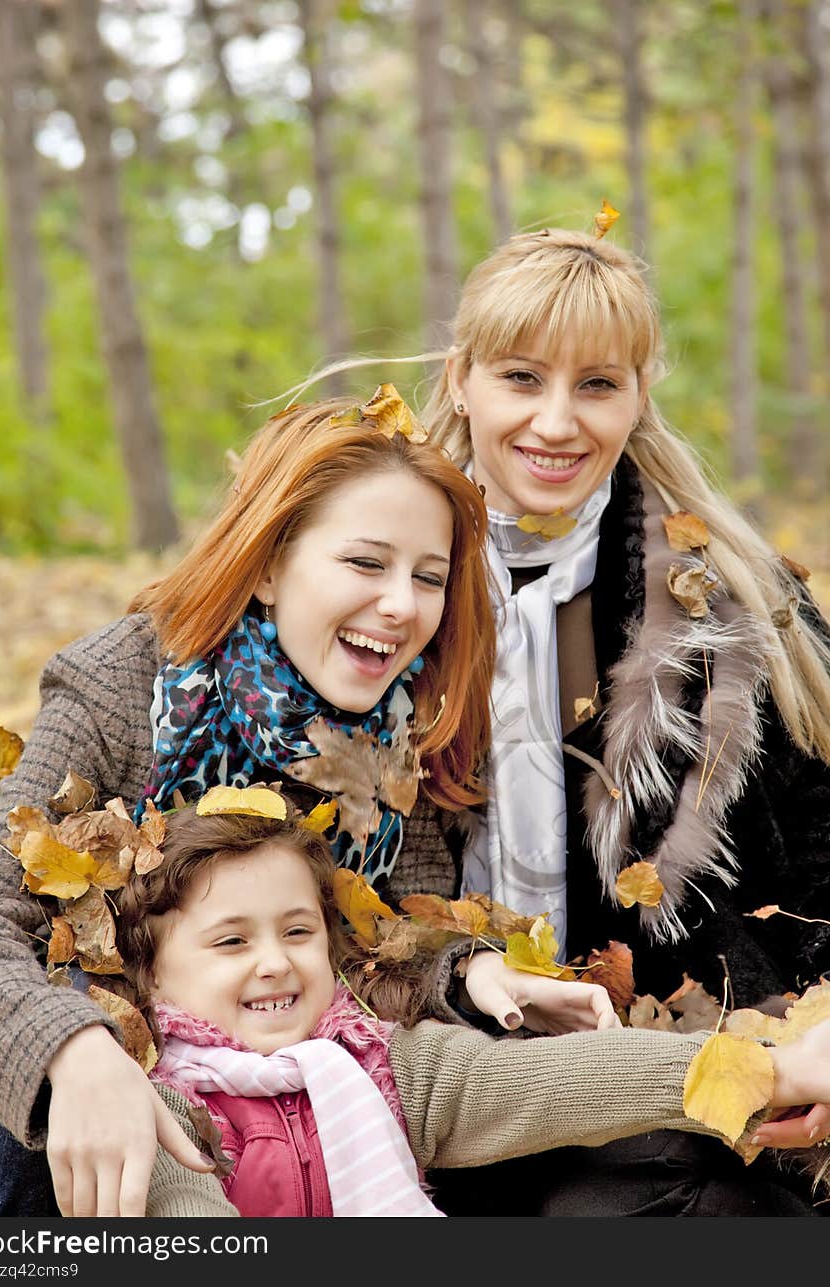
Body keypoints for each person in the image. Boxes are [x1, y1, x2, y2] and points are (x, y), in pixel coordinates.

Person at [0, 391, 504, 1217]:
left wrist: (470, 969)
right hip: (92, 1066)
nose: (401, 604)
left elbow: (377, 939)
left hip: (267, 1080)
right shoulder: (126, 683)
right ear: (272, 565)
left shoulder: (399, 733)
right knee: (27, 1137)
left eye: (429, 576)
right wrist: (71, 1046)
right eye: (365, 563)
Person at [400, 224, 830, 1214]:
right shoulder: (377, 585)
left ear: (639, 394)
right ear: (462, 378)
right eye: (520, 377)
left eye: (596, 384)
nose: (557, 422)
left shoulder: (728, 600)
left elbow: (820, 844)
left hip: (668, 1066)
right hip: (425, 1043)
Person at [115, 803, 830, 1218]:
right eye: (232, 940)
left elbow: (561, 1081)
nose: (274, 960)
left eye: (297, 930)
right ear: (151, 973)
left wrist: (776, 1071)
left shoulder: (382, 1062)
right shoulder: (164, 1109)